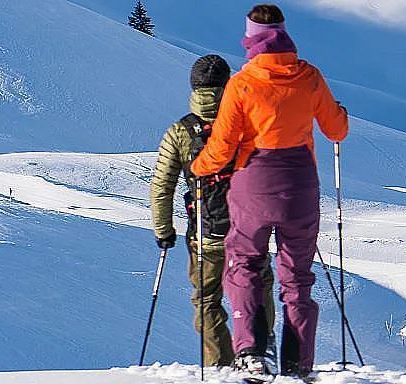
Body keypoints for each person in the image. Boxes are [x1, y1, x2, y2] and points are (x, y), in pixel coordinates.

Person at [191, 4, 348, 377]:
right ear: (283, 33)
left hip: (253, 185)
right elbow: (336, 130)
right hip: (299, 187)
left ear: (251, 38)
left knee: (244, 262)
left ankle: (251, 351)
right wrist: (338, 112)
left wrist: (199, 167)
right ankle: (298, 362)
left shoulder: (242, 84)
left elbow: (223, 146)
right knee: (297, 277)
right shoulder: (308, 77)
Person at [150, 54, 276, 367]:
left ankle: (219, 364)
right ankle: (257, 352)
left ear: (193, 87)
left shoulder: (180, 132)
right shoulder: (248, 123)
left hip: (205, 235)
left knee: (207, 300)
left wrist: (164, 231)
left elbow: (161, 186)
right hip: (249, 231)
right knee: (258, 289)